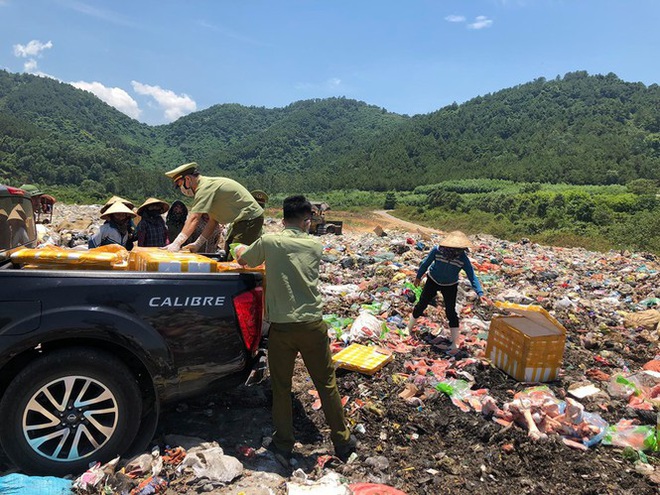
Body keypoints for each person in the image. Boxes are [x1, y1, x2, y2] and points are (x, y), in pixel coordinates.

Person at [236, 195, 357, 464]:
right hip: (313, 325)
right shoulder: (315, 245)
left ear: (282, 219)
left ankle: (283, 444)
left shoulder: (270, 241)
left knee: (281, 387)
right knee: (326, 384)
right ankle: (343, 441)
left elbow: (244, 260)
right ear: (307, 220)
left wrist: (238, 250)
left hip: (282, 329)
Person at [406, 230, 488, 351]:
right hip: (433, 279)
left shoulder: (462, 259)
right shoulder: (437, 250)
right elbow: (426, 263)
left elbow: (472, 275)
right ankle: (408, 328)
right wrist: (419, 276)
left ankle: (454, 342)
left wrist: (480, 293)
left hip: (450, 284)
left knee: (450, 311)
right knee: (422, 303)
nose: (455, 251)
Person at [164, 162, 264, 258]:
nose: (181, 188)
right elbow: (213, 221)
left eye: (180, 184)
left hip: (250, 219)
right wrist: (197, 244)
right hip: (241, 220)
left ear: (188, 179)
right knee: (228, 252)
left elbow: (194, 218)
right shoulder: (206, 188)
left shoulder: (204, 188)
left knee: (236, 258)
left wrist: (177, 243)